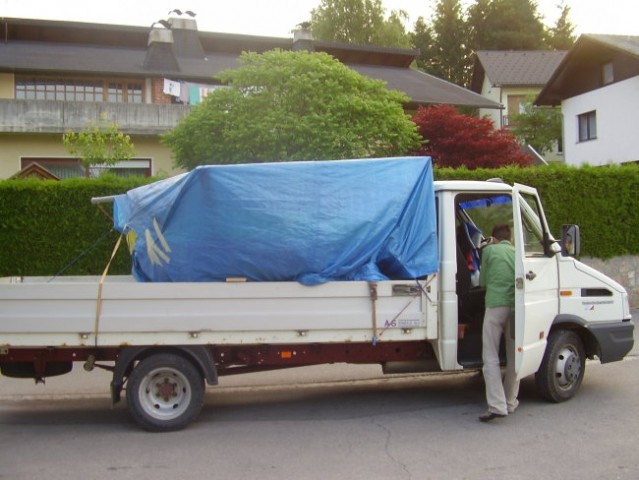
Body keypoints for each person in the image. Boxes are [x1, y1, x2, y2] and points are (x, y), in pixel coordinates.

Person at [478, 224, 519, 422]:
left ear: (493, 238)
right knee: (514, 356)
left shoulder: (489, 251)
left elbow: (483, 281)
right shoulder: (517, 253)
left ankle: (496, 405)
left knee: (490, 356)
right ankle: (511, 401)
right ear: (509, 239)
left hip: (495, 305)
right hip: (515, 307)